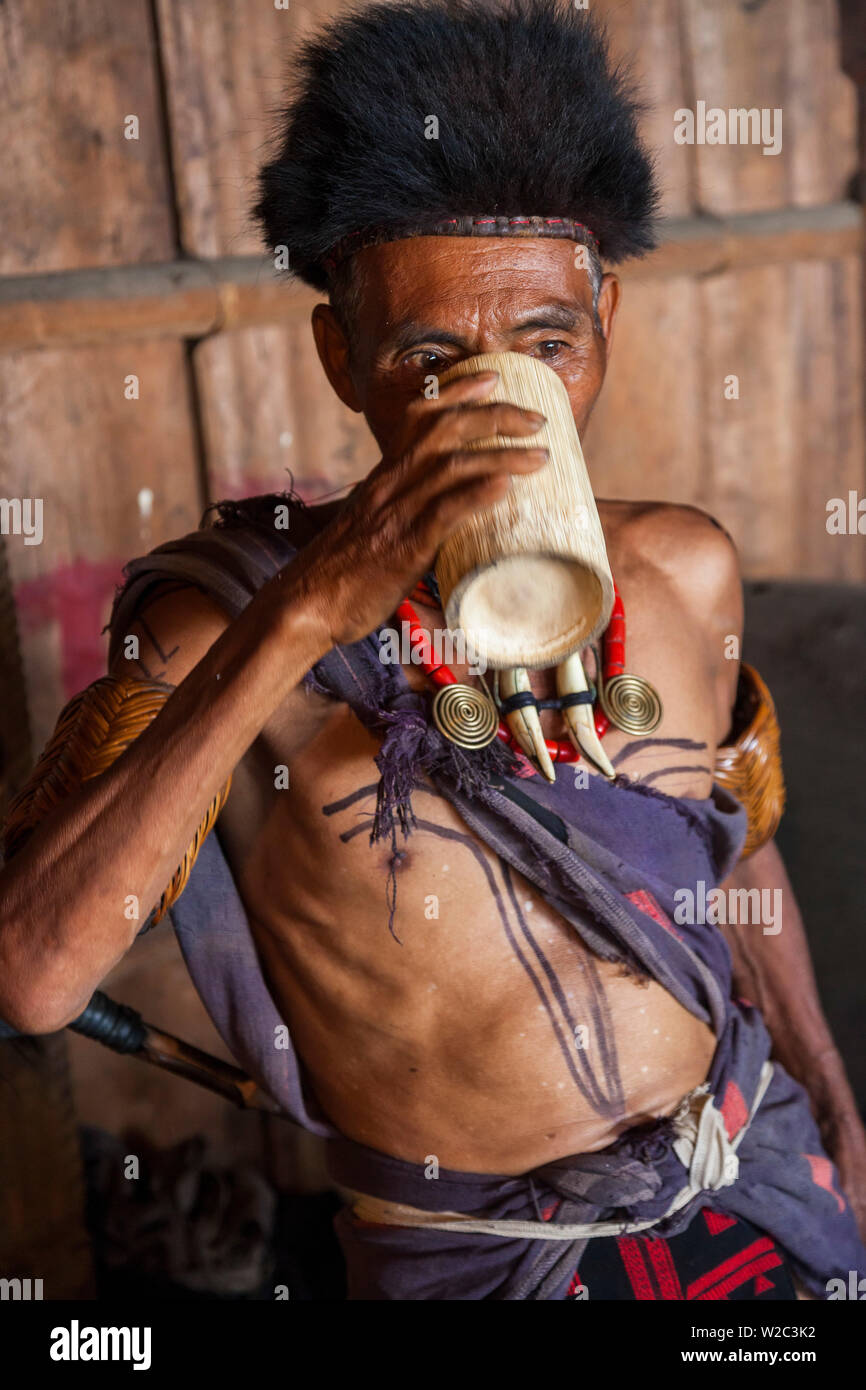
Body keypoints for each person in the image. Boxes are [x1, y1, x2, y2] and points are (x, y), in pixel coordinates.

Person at [2, 0, 865, 1300]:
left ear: (606, 321)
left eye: (544, 346)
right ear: (339, 356)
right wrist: (304, 615)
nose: (494, 400)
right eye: (430, 355)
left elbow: (730, 845)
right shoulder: (223, 622)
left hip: (747, 1177)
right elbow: (33, 975)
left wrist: (825, 1077)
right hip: (473, 1258)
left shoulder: (683, 568)